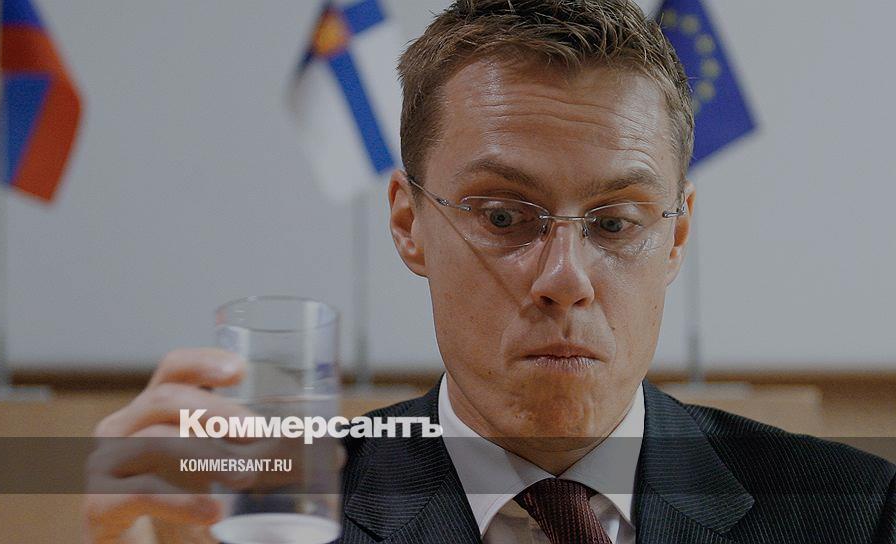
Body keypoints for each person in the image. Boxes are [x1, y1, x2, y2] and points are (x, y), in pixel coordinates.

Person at [84, 1, 896, 542]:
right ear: (409, 223)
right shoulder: (276, 517)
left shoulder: (856, 515)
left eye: (614, 223)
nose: (565, 278)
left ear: (676, 236)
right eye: (505, 217)